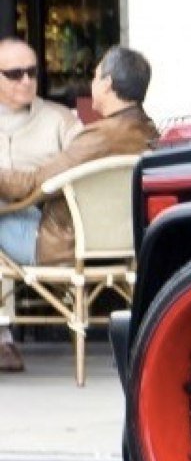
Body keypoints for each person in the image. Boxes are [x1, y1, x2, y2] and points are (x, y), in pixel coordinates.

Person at [0, 46, 158, 371]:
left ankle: (3, 338)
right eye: (15, 74)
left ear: (108, 84)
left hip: (60, 243)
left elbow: (34, 184)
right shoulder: (147, 131)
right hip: (116, 245)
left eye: (96, 74)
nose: (91, 81)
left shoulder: (96, 137)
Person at [0, 38, 81, 371]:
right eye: (15, 74)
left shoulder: (60, 120)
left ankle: (3, 340)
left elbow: (83, 173)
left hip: (43, 224)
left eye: (32, 72)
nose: (26, 81)